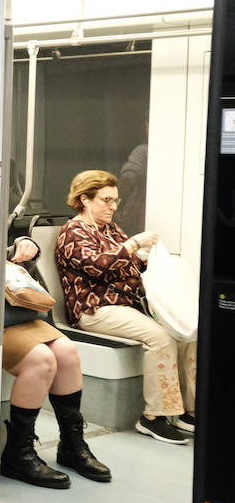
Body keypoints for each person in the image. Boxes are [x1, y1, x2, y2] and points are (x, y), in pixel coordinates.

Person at [55, 169, 195, 445]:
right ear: (85, 199)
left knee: (186, 333)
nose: (114, 206)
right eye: (106, 200)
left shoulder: (109, 228)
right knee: (160, 338)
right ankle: (153, 417)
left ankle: (187, 411)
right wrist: (132, 244)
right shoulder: (73, 231)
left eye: (115, 200)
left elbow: (129, 264)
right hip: (94, 308)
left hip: (125, 304)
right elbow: (97, 265)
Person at [0, 237, 110, 489]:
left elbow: (9, 242)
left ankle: (72, 444)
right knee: (42, 359)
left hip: (19, 313)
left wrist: (26, 244)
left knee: (67, 351)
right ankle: (18, 453)